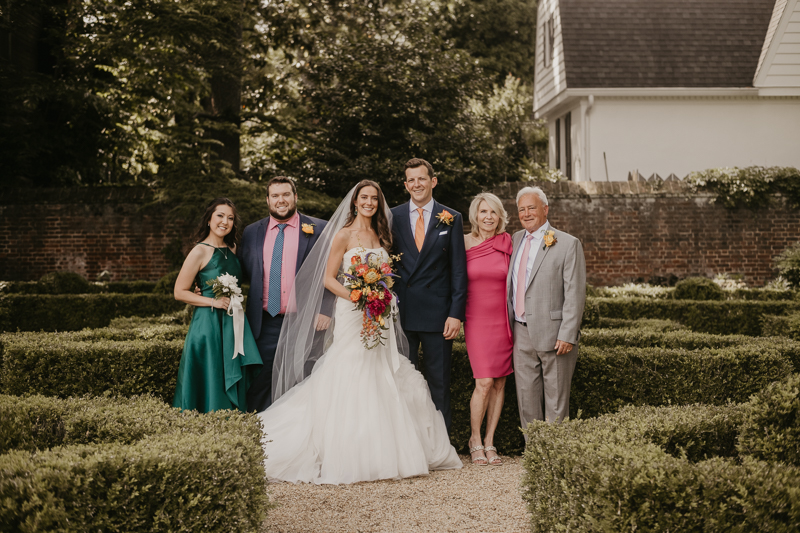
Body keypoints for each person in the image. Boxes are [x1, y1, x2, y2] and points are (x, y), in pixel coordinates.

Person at [258, 180, 462, 485]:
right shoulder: (343, 235)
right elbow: (328, 278)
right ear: (355, 202)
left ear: (379, 203)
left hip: (378, 312)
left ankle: (386, 448)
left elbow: (391, 274)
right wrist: (358, 296)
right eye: (363, 197)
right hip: (352, 310)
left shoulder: (382, 235)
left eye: (373, 198)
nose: (368, 202)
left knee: (381, 368)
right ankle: (348, 448)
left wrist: (381, 295)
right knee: (352, 366)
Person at [239, 177, 331, 412]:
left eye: (286, 194)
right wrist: (208, 286)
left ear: (295, 197)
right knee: (260, 380)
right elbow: (239, 270)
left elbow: (335, 271)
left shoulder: (319, 229)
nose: (281, 200)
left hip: (304, 320)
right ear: (268, 200)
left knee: (302, 379)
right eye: (275, 196)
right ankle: (256, 431)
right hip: (264, 321)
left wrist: (325, 309)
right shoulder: (251, 232)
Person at [389, 158, 468, 431]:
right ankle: (409, 443)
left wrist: (455, 313)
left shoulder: (452, 217)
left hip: (438, 316)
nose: (416, 184)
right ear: (405, 185)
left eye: (421, 179)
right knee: (404, 381)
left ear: (433, 181)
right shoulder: (392, 216)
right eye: (411, 180)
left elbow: (458, 270)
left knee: (439, 382)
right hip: (403, 313)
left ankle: (441, 443)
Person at [173, 198, 264, 413]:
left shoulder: (232, 248)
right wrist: (212, 301)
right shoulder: (199, 251)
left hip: (233, 322)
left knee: (230, 373)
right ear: (208, 219)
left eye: (230, 218)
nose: (225, 221)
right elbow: (179, 292)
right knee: (212, 374)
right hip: (208, 324)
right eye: (220, 216)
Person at [507, 186, 586, 428]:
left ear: (545, 209)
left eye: (532, 208)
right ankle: (534, 452)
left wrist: (567, 334)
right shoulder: (514, 239)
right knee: (526, 398)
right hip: (520, 330)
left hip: (555, 333)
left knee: (556, 400)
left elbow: (575, 292)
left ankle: (555, 454)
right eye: (522, 209)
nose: (526, 213)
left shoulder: (568, 243)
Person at [463, 192, 513, 466]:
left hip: (503, 319)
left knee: (500, 382)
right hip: (476, 318)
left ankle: (490, 440)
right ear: (475, 216)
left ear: (500, 216)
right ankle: (474, 439)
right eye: (483, 212)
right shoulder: (463, 243)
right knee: (483, 382)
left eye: (493, 212)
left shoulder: (508, 243)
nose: (488, 217)